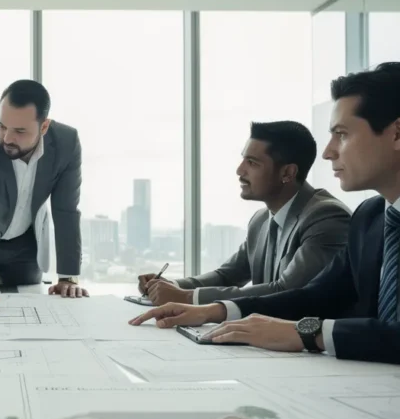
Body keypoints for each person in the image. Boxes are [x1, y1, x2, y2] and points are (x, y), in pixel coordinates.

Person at [129, 62, 400, 389]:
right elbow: (316, 295)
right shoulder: (372, 218)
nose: (328, 151)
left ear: (399, 133)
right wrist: (219, 310)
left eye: (341, 134)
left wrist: (309, 334)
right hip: (393, 397)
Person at [138, 121, 350, 305]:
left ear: (287, 172)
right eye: (243, 160)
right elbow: (227, 276)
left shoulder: (326, 217)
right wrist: (169, 285)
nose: (240, 170)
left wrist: (187, 297)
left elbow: (287, 292)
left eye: (252, 163)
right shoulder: (261, 220)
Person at [0, 79, 87, 308]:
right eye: (2, 126)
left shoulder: (66, 144)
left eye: (20, 131)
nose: (8, 138)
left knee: (29, 314)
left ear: (44, 127)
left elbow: (66, 211)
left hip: (26, 245)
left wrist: (68, 277)